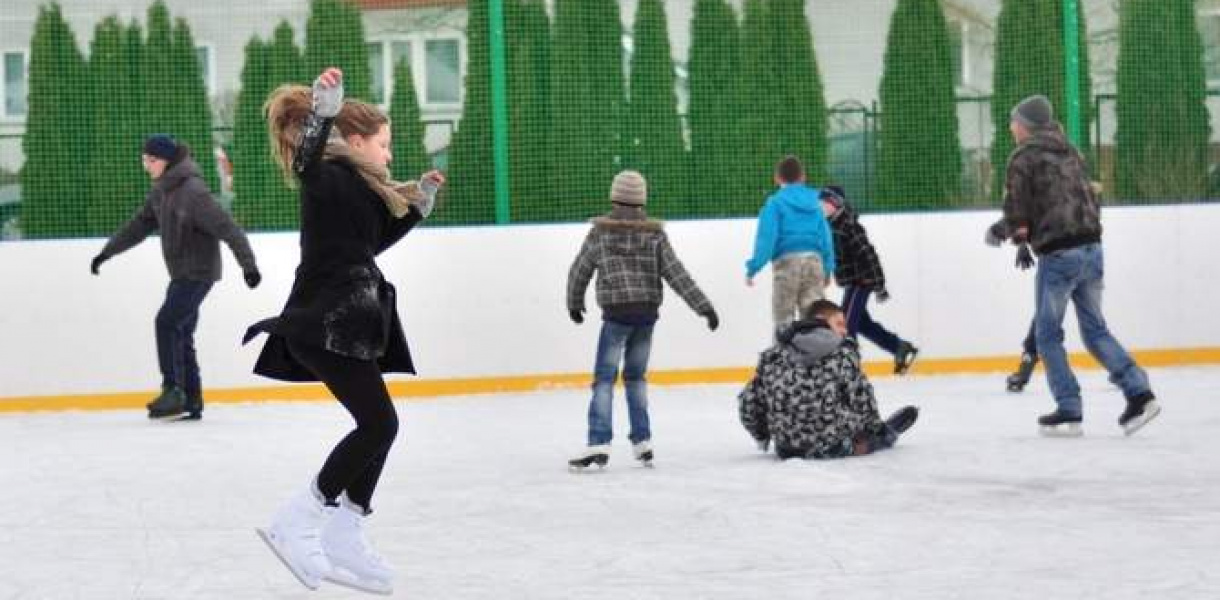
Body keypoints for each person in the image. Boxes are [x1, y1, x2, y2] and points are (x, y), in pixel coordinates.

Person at [244, 67, 444, 594]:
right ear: (355, 142)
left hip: (348, 322)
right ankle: (299, 520)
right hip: (323, 322)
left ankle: (346, 528)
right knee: (378, 425)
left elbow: (367, 245)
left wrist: (416, 210)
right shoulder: (327, 176)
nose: (389, 155)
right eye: (384, 144)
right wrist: (322, 114)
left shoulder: (359, 188)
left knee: (381, 425)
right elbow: (306, 160)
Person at [986, 94, 1160, 436]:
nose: (1011, 128)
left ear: (1026, 125)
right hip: (1091, 248)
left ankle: (1069, 409)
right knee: (1095, 331)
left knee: (1047, 335)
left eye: (1014, 121)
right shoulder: (1070, 151)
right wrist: (1024, 239)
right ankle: (1140, 394)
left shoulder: (1023, 157)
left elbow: (1018, 208)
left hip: (1060, 255)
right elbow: (1081, 199)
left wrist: (998, 232)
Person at [91, 134, 260, 421]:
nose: (147, 166)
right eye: (144, 160)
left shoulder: (193, 193)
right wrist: (107, 253)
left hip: (199, 272)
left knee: (167, 322)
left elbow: (228, 229)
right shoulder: (161, 191)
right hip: (181, 273)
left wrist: (249, 267)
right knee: (181, 332)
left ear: (167, 161)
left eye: (152, 160)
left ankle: (173, 389)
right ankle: (192, 400)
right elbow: (138, 226)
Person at [566, 170, 719, 470]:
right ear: (642, 201)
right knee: (635, 378)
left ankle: (599, 441)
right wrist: (705, 308)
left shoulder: (599, 234)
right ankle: (642, 440)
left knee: (605, 379)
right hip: (646, 316)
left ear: (613, 197)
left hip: (616, 315)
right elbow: (677, 274)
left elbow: (579, 269)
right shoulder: (655, 235)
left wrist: (574, 302)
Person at [738, 299, 918, 459]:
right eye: (839, 324)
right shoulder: (843, 352)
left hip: (785, 449)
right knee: (867, 437)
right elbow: (863, 402)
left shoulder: (773, 354)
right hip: (832, 446)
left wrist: (763, 436)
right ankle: (883, 437)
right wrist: (876, 430)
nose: (845, 331)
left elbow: (748, 404)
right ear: (821, 320)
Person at [819, 185, 919, 375]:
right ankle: (899, 347)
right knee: (862, 324)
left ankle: (848, 369)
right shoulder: (831, 225)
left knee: (845, 325)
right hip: (852, 283)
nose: (820, 206)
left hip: (862, 281)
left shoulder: (849, 227)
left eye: (824, 203)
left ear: (836, 204)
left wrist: (879, 285)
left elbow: (869, 256)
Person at [744, 155, 836, 333]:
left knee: (783, 320)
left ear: (777, 178)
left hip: (787, 263)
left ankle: (783, 351)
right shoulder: (817, 202)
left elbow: (766, 238)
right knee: (814, 318)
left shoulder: (775, 203)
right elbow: (826, 237)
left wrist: (753, 268)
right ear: (803, 177)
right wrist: (828, 268)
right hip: (814, 261)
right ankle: (816, 350)